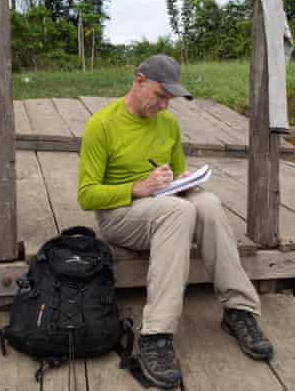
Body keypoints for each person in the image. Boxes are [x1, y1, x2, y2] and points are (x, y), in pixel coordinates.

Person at [77, 54, 273, 388]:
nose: (165, 105)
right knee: (179, 212)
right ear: (139, 81)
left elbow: (176, 173)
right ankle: (155, 334)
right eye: (160, 95)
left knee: (208, 203)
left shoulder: (168, 125)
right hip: (120, 215)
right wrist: (138, 188)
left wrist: (186, 181)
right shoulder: (102, 125)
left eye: (170, 98)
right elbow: (86, 195)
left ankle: (239, 310)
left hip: (164, 204)